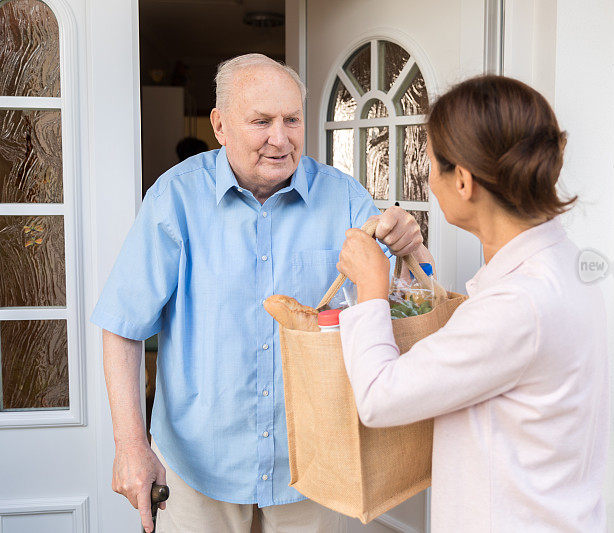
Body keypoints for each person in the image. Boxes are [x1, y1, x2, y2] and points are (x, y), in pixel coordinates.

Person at [92, 54, 430, 533]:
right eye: (261, 121)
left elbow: (398, 307)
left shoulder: (347, 199)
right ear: (220, 124)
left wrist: (412, 247)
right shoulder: (175, 199)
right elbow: (122, 326)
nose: (281, 137)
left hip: (313, 464)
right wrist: (130, 446)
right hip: (198, 466)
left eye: (291, 119)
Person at [336, 75, 608, 532]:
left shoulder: (519, 303)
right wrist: (413, 268)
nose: (427, 180)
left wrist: (370, 287)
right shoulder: (559, 264)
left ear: (462, 180)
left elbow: (379, 397)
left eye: (431, 164)